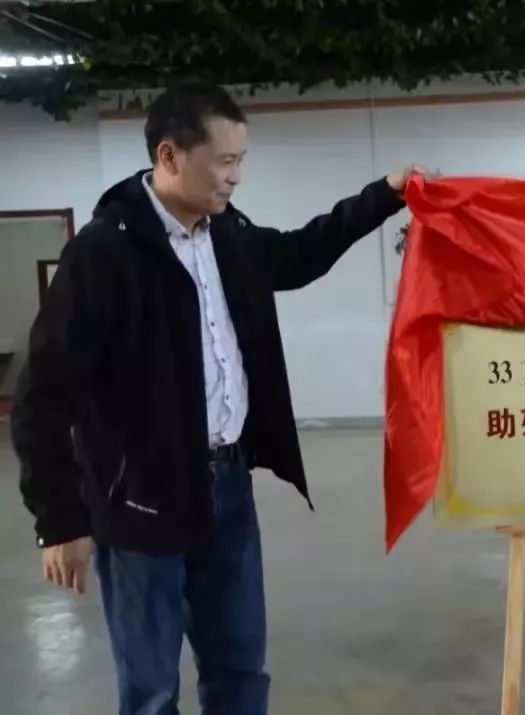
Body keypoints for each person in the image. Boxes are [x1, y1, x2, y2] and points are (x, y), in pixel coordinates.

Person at [12, 81, 421, 715]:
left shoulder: (228, 234)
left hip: (227, 487)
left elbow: (298, 254)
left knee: (239, 671)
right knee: (151, 691)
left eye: (241, 160)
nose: (236, 176)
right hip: (139, 497)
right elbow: (42, 394)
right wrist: (60, 521)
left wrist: (384, 196)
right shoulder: (104, 253)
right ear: (170, 156)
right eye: (225, 161)